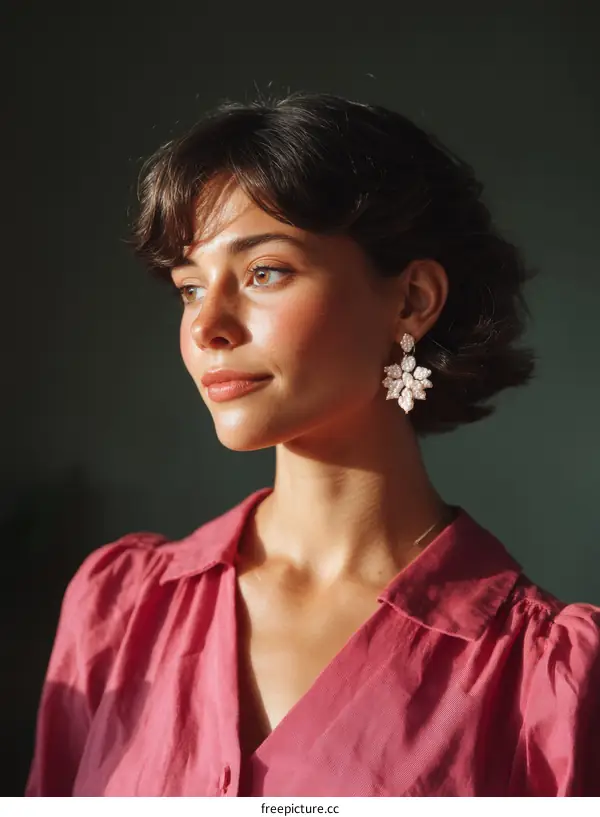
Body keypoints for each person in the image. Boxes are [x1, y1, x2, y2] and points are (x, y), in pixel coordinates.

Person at [26, 92, 600, 797]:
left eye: (264, 272)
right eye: (189, 287)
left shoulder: (546, 679)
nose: (206, 326)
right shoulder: (118, 606)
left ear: (413, 300)